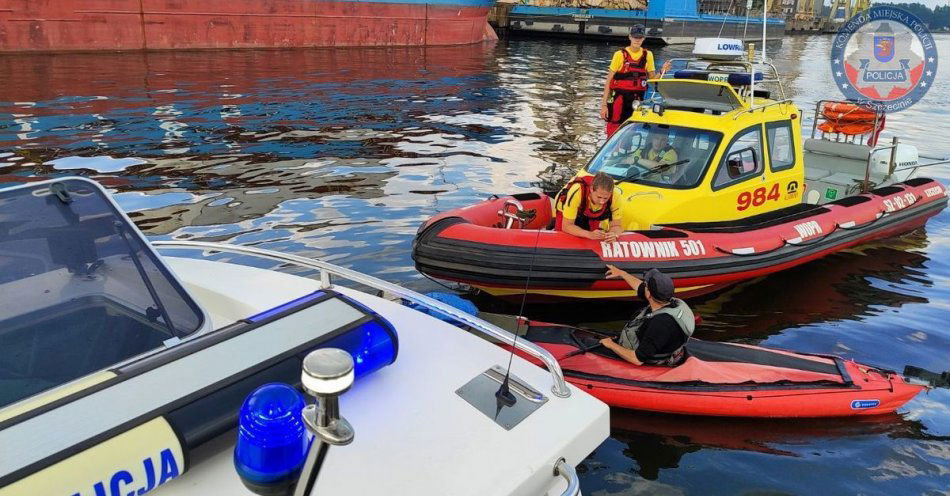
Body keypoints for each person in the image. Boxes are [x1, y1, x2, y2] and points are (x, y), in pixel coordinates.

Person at [599, 265, 695, 366]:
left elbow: (637, 359)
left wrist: (611, 345)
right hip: (665, 343)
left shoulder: (660, 324)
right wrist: (623, 274)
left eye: (646, 285)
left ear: (649, 294)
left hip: (652, 360)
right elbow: (639, 286)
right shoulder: (668, 300)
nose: (643, 286)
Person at [599, 24, 673, 137]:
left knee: (631, 130)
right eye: (635, 37)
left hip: (636, 101)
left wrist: (663, 71)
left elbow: (652, 80)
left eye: (640, 38)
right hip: (618, 99)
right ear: (630, 37)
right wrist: (604, 105)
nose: (637, 40)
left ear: (643, 38)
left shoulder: (648, 55)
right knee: (614, 129)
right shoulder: (619, 55)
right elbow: (609, 81)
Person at [554, 172, 623, 242]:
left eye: (605, 198)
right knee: (563, 238)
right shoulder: (578, 191)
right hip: (566, 210)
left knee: (594, 236)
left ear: (611, 193)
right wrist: (588, 234)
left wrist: (614, 234)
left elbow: (616, 225)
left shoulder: (616, 196)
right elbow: (566, 226)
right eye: (599, 197)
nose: (602, 201)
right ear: (591, 189)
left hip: (592, 213)